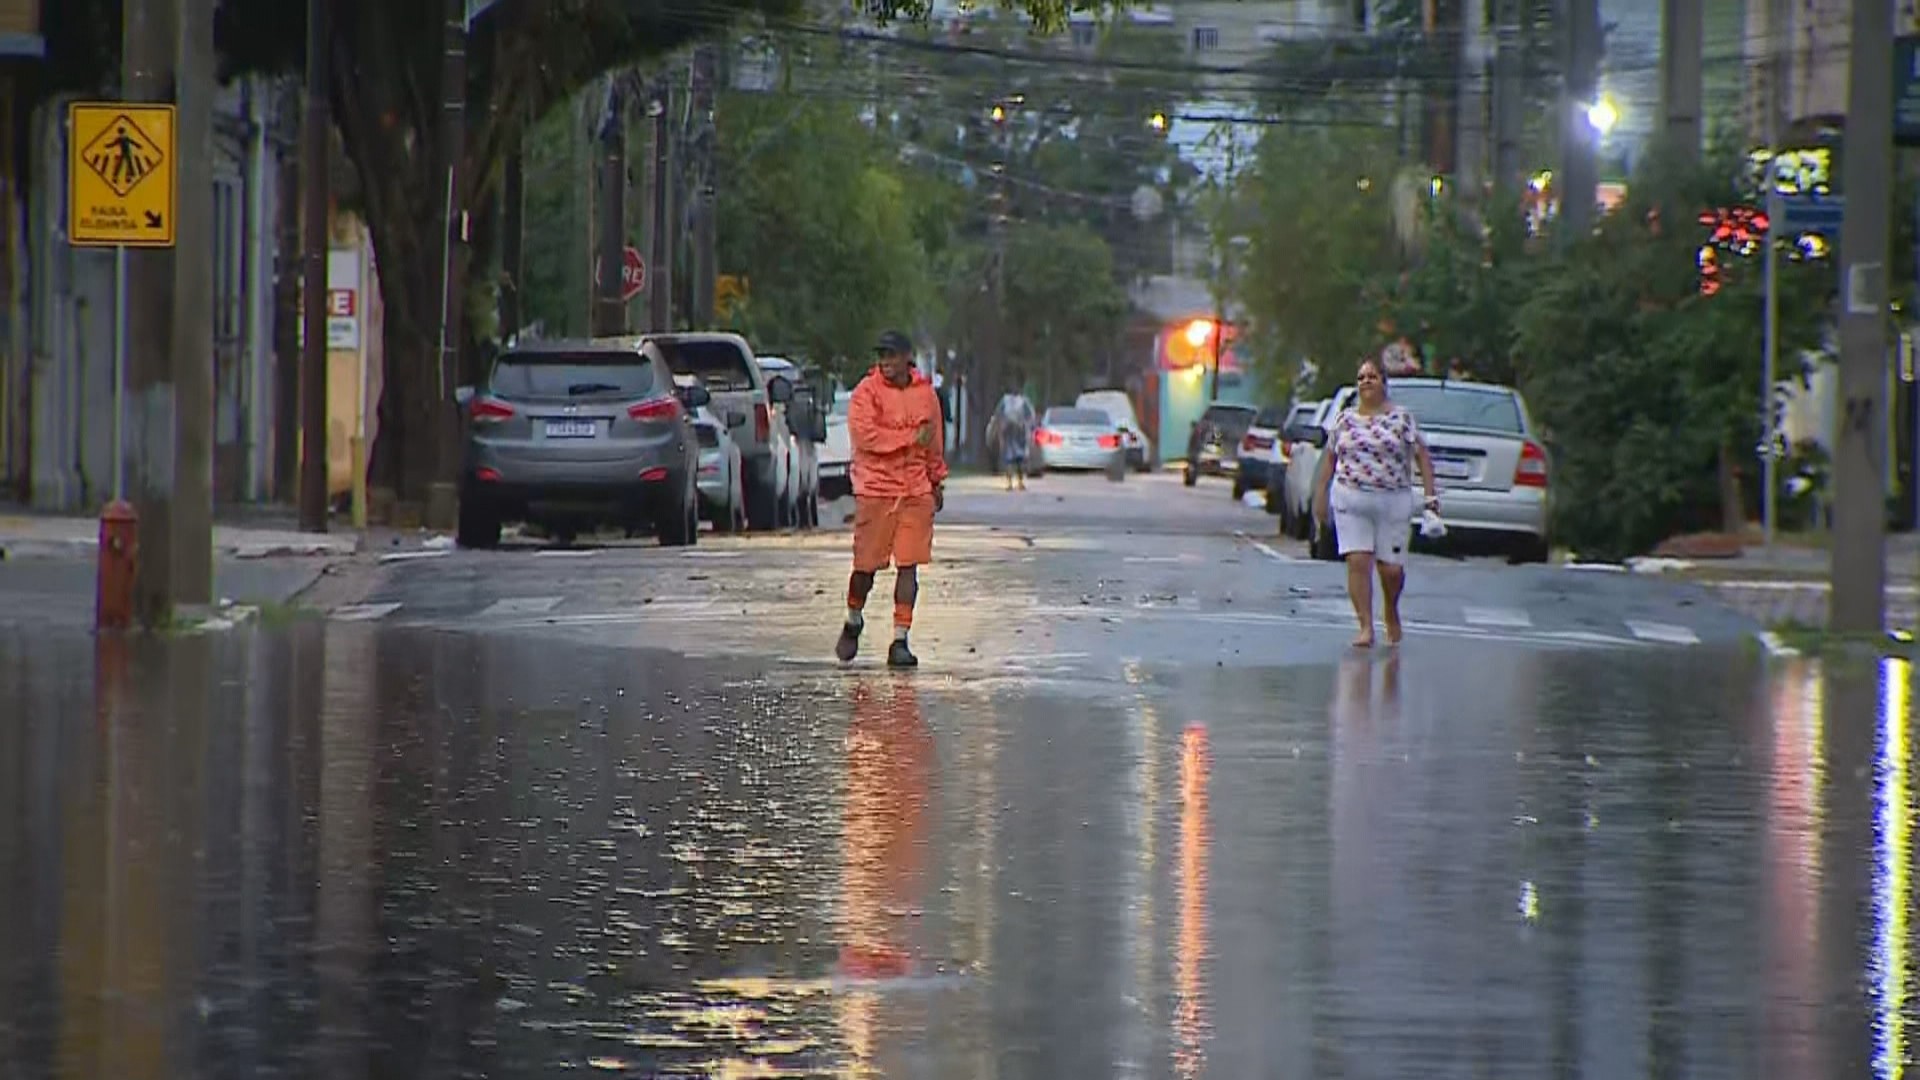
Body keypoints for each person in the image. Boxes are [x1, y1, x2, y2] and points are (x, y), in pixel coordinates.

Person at [836, 330, 948, 668]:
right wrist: (909, 437)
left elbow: (933, 441)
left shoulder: (926, 395)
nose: (885, 362)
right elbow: (867, 437)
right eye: (881, 356)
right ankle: (854, 618)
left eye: (891, 356)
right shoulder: (865, 393)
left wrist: (936, 480)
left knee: (909, 566)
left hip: (915, 490)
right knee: (866, 568)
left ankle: (900, 639)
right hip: (876, 490)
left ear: (906, 358)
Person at [1311, 357, 1439, 649]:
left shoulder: (1401, 418)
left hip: (1393, 500)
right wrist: (1321, 497)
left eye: (1372, 377)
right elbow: (1329, 460)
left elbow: (1422, 457)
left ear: (1384, 383)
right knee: (1358, 561)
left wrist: (1431, 497)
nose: (1366, 381)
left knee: (1391, 570)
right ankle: (1365, 626)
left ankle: (1391, 611)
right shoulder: (1345, 420)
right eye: (1361, 378)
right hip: (1351, 499)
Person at [992, 385, 1036, 491]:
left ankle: (1010, 483)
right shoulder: (1023, 402)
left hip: (1009, 430)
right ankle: (1019, 482)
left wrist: (999, 429)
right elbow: (1030, 416)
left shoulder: (1005, 401)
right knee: (1018, 459)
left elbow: (998, 415)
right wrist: (1028, 428)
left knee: (1009, 458)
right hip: (1018, 430)